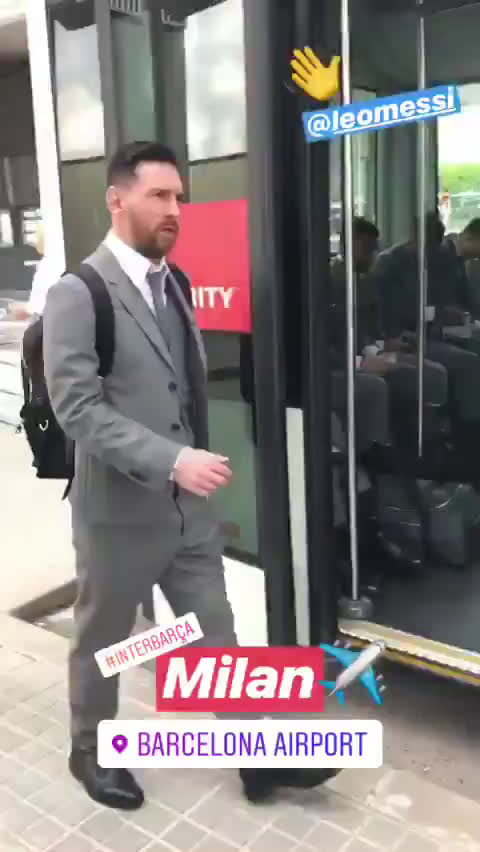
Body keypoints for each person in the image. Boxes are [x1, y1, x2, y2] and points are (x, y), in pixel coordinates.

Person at [42, 141, 339, 811]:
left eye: (179, 196)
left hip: (187, 516)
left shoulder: (172, 281)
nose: (175, 209)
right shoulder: (79, 293)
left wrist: (192, 466)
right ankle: (89, 750)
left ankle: (257, 759)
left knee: (216, 631)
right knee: (104, 641)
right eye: (159, 195)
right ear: (117, 200)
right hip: (117, 516)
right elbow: (78, 410)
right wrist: (173, 459)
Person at [329, 217, 447, 453]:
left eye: (374, 248)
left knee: (431, 371)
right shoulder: (331, 282)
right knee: (377, 386)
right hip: (346, 362)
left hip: (371, 353)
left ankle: (425, 439)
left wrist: (386, 344)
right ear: (349, 244)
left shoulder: (366, 280)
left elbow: (373, 327)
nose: (372, 255)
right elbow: (326, 342)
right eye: (367, 248)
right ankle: (377, 454)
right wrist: (360, 362)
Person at [372, 210, 480, 451]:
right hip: (407, 336)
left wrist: (452, 314)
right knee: (468, 363)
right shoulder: (389, 264)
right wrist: (437, 313)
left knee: (472, 346)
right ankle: (468, 437)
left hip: (437, 330)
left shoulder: (439, 259)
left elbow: (453, 299)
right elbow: (391, 314)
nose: (432, 251)